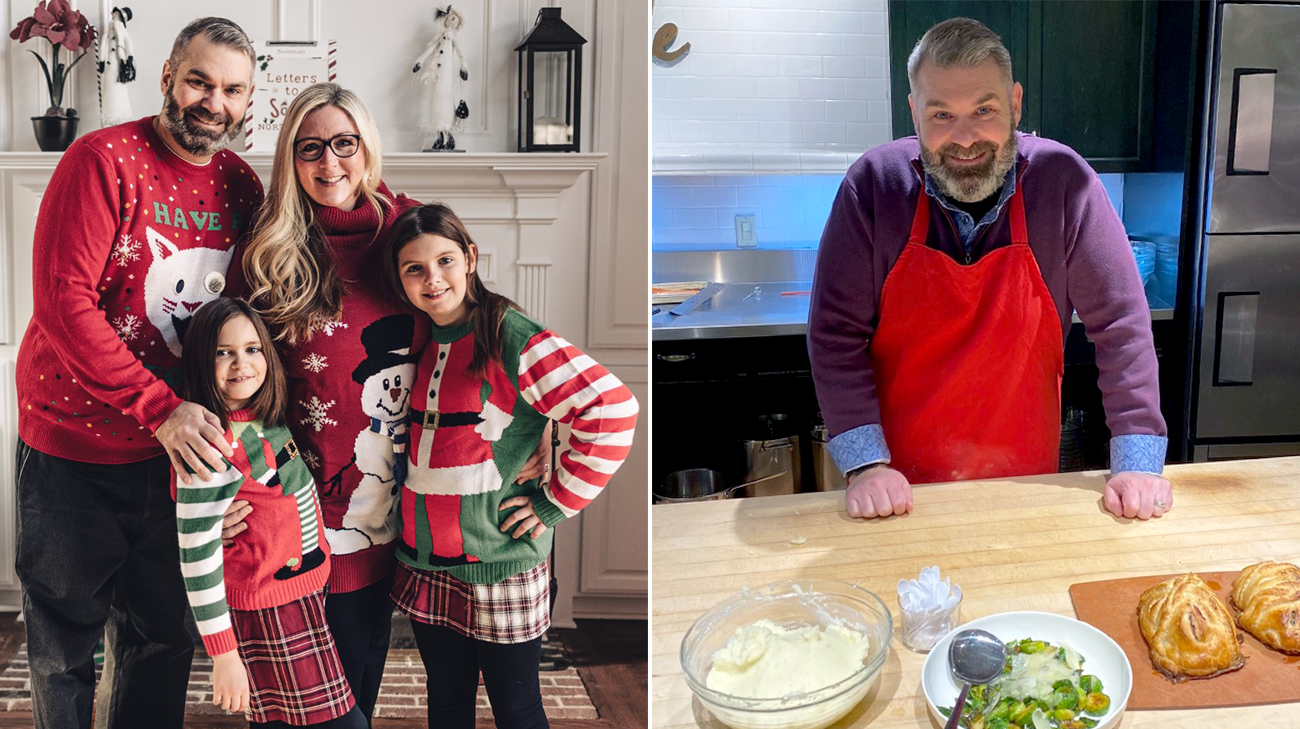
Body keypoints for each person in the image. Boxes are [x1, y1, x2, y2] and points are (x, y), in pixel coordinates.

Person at [226, 83, 549, 724]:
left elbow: (481, 328)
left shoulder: (408, 236)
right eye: (309, 148)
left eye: (343, 143)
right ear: (290, 159)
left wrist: (540, 426)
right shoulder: (265, 251)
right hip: (288, 507)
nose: (329, 163)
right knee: (288, 701)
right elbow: (231, 375)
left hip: (390, 513)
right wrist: (230, 478)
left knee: (357, 689)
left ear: (367, 147)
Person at [808, 18, 1172, 522]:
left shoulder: (1065, 184)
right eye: (941, 114)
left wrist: (1137, 463)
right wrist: (866, 465)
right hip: (897, 494)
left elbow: (1122, 326)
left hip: (1028, 485)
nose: (965, 138)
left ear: (1016, 103)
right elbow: (834, 334)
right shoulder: (872, 187)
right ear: (913, 112)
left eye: (984, 109)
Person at [14, 17, 261, 729]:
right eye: (199, 81)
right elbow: (64, 304)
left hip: (178, 462)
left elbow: (245, 329)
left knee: (162, 640)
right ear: (167, 78)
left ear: (247, 100)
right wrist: (161, 407)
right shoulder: (99, 160)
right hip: (73, 450)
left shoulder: (241, 185)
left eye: (232, 90)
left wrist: (238, 460)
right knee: (64, 646)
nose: (213, 101)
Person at [382, 203, 639, 729]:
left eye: (446, 260)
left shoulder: (509, 332)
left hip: (500, 565)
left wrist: (555, 501)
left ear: (470, 258)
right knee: (447, 703)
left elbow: (612, 408)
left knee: (517, 710)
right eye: (415, 268)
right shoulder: (423, 337)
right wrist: (543, 429)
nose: (433, 279)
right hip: (428, 562)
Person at [176, 298, 364, 728]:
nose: (241, 364)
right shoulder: (209, 444)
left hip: (303, 590)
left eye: (252, 348)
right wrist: (223, 654)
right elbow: (197, 557)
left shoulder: (265, 419)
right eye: (223, 352)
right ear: (201, 361)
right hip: (268, 607)